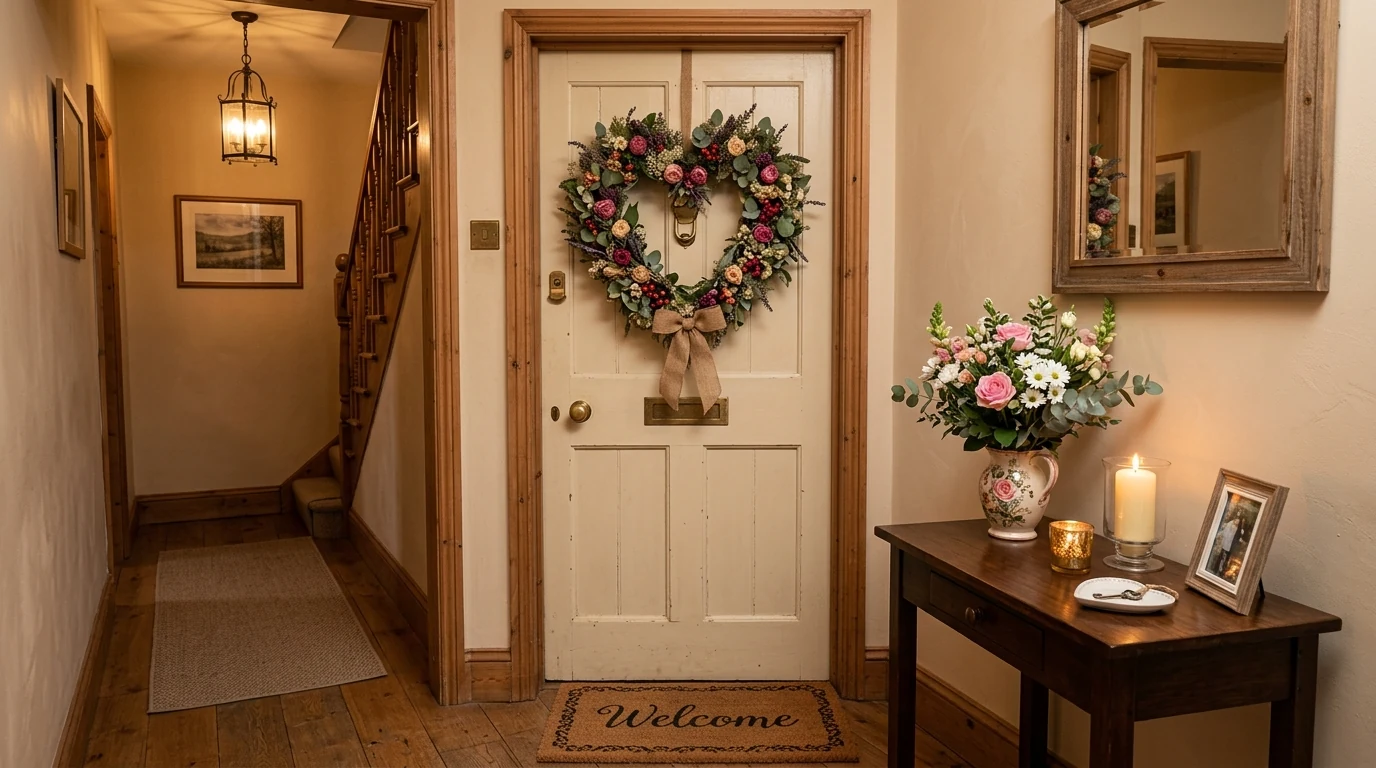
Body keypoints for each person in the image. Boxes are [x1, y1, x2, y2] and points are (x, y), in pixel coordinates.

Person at [1211, 512, 1241, 576]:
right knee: (1221, 556)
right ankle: (1216, 569)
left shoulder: (1238, 528)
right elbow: (1225, 534)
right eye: (1237, 520)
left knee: (1226, 558)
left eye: (1238, 521)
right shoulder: (1230, 524)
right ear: (1235, 519)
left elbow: (1235, 536)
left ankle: (1221, 571)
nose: (1237, 522)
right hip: (1225, 543)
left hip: (1229, 545)